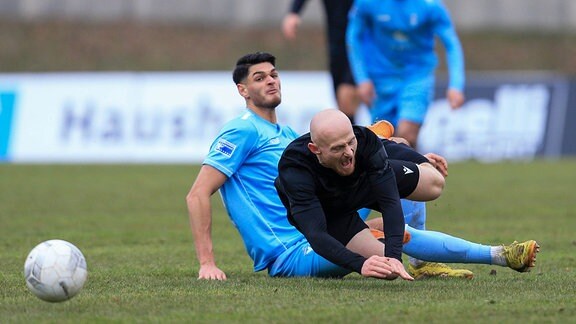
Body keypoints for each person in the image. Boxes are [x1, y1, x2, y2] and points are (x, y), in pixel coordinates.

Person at [186, 52, 539, 280]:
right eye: (259, 78)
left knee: (393, 163)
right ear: (242, 91)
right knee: (389, 237)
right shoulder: (242, 129)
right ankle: (497, 255)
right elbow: (198, 193)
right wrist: (207, 263)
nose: (271, 80)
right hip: (294, 248)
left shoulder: (287, 134)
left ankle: (422, 256)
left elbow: (339, 162)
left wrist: (410, 158)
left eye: (274, 74)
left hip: (327, 217)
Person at [346, 0, 466, 148]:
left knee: (407, 133)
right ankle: (412, 166)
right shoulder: (368, 3)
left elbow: (451, 43)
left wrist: (456, 85)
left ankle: (414, 167)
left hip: (416, 76)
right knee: (382, 139)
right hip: (380, 78)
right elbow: (353, 36)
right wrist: (362, 79)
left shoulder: (430, 6)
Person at [282, 0, 360, 123]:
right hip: (337, 43)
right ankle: (353, 137)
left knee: (346, 94)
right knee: (342, 103)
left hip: (365, 45)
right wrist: (294, 12)